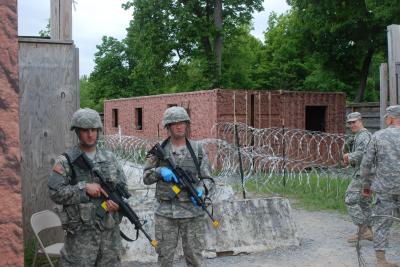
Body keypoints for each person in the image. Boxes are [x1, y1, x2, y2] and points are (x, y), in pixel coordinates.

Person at [48, 108, 127, 267]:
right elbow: (55, 192)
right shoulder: (66, 161)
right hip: (80, 241)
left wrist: (118, 205)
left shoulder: (110, 158)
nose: (90, 134)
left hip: (109, 240)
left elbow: (123, 188)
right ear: (77, 131)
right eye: (85, 130)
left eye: (93, 130)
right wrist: (83, 188)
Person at [143, 106, 214, 267]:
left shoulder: (197, 150)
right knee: (165, 259)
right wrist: (160, 171)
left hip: (192, 213)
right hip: (165, 214)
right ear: (168, 126)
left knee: (195, 258)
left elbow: (208, 179)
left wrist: (202, 189)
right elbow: (146, 177)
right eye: (175, 123)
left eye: (182, 122)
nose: (180, 126)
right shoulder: (158, 151)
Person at [360, 105, 400, 267]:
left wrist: (366, 185)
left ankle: (381, 261)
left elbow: (366, 164)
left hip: (384, 188)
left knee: (383, 222)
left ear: (390, 118)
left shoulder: (378, 136)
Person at [342, 112, 373, 243]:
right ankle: (369, 232)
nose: (351, 125)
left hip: (363, 175)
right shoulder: (360, 136)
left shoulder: (364, 136)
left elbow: (363, 153)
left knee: (350, 199)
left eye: (354, 122)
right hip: (368, 175)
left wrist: (349, 157)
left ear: (361, 121)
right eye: (349, 123)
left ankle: (363, 229)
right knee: (363, 202)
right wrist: (351, 162)